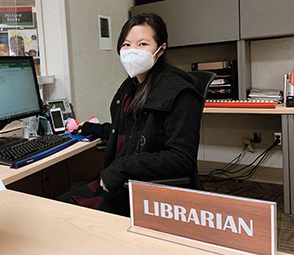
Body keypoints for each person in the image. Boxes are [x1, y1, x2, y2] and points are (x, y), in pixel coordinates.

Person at [58, 13, 203, 216]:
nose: (132, 51)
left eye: (143, 44)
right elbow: (128, 131)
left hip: (146, 193)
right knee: (56, 207)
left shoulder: (180, 93)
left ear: (161, 49)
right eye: (126, 44)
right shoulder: (132, 86)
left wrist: (123, 167)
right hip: (120, 182)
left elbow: (181, 159)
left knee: (64, 212)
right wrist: (89, 128)